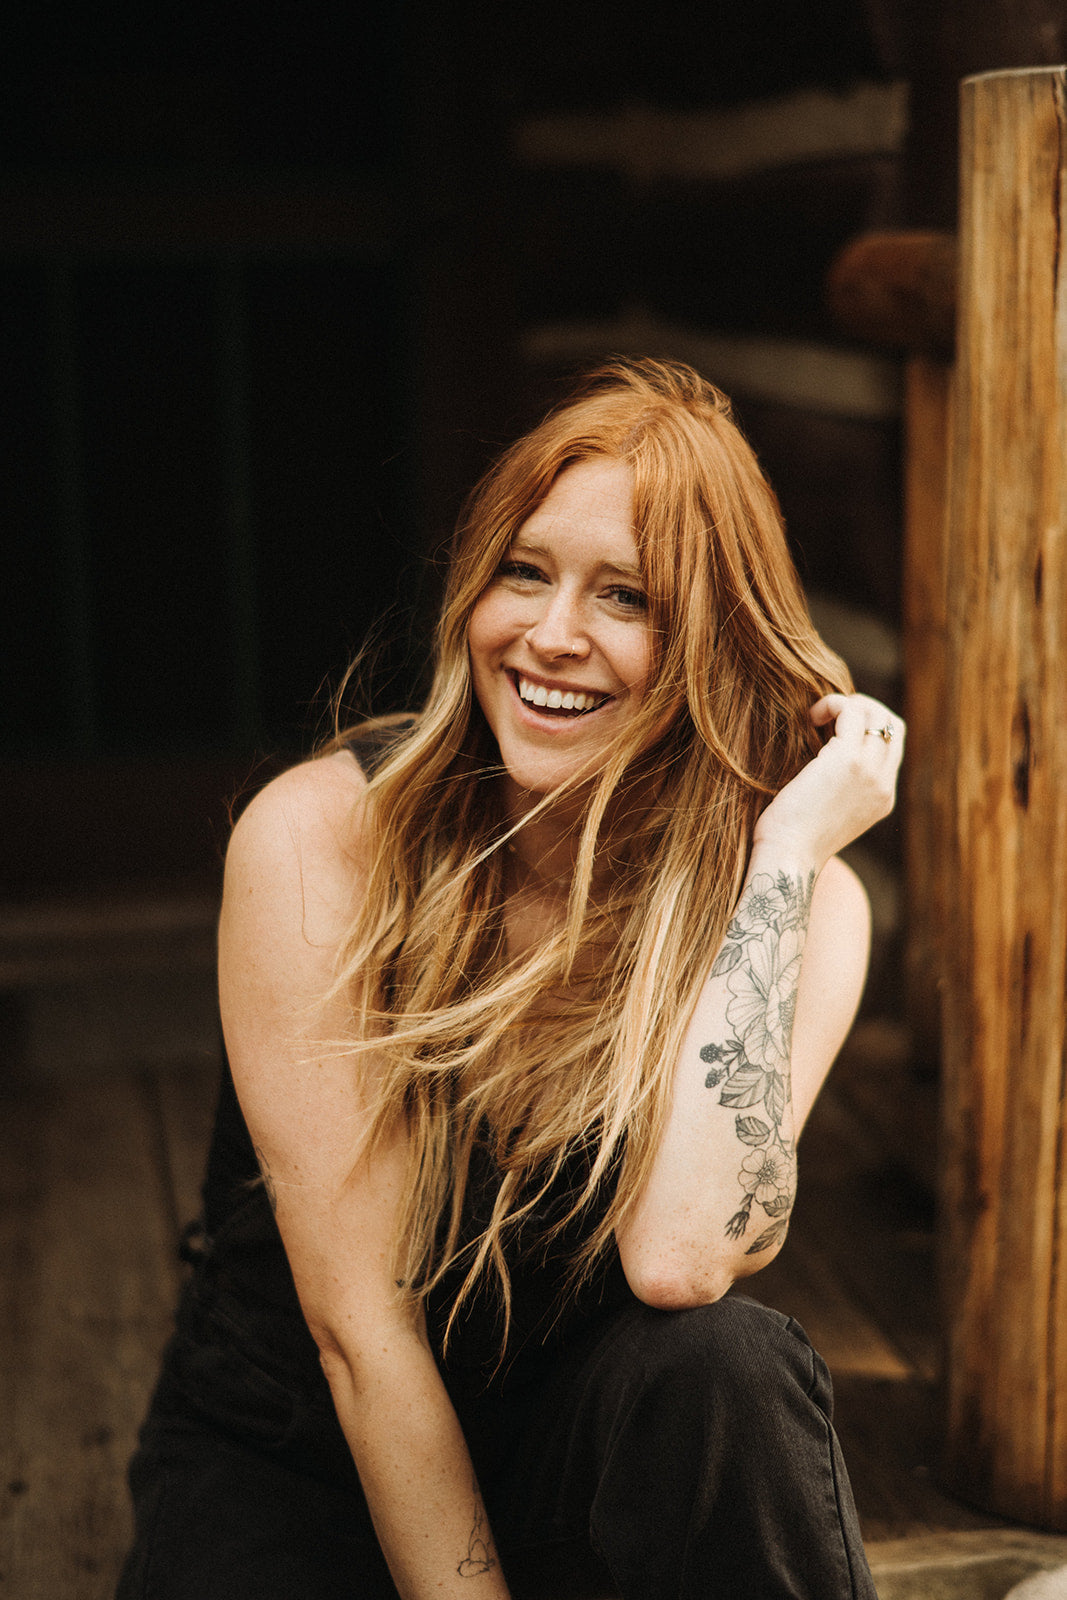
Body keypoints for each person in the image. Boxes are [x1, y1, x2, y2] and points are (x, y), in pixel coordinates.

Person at [118, 358, 902, 1600]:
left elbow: (679, 1261)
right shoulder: (323, 838)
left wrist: (786, 855)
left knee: (726, 1367)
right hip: (304, 1454)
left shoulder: (796, 899)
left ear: (714, 639)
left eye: (624, 596)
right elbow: (360, 1335)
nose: (549, 634)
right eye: (523, 571)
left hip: (562, 1454)